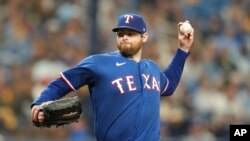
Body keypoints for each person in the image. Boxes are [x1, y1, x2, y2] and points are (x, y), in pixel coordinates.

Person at [31, 13, 194, 141]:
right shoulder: (98, 63)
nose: (124, 37)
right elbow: (60, 84)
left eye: (131, 33)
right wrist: (38, 104)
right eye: (121, 33)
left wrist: (183, 49)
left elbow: (170, 85)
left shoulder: (152, 68)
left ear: (144, 37)